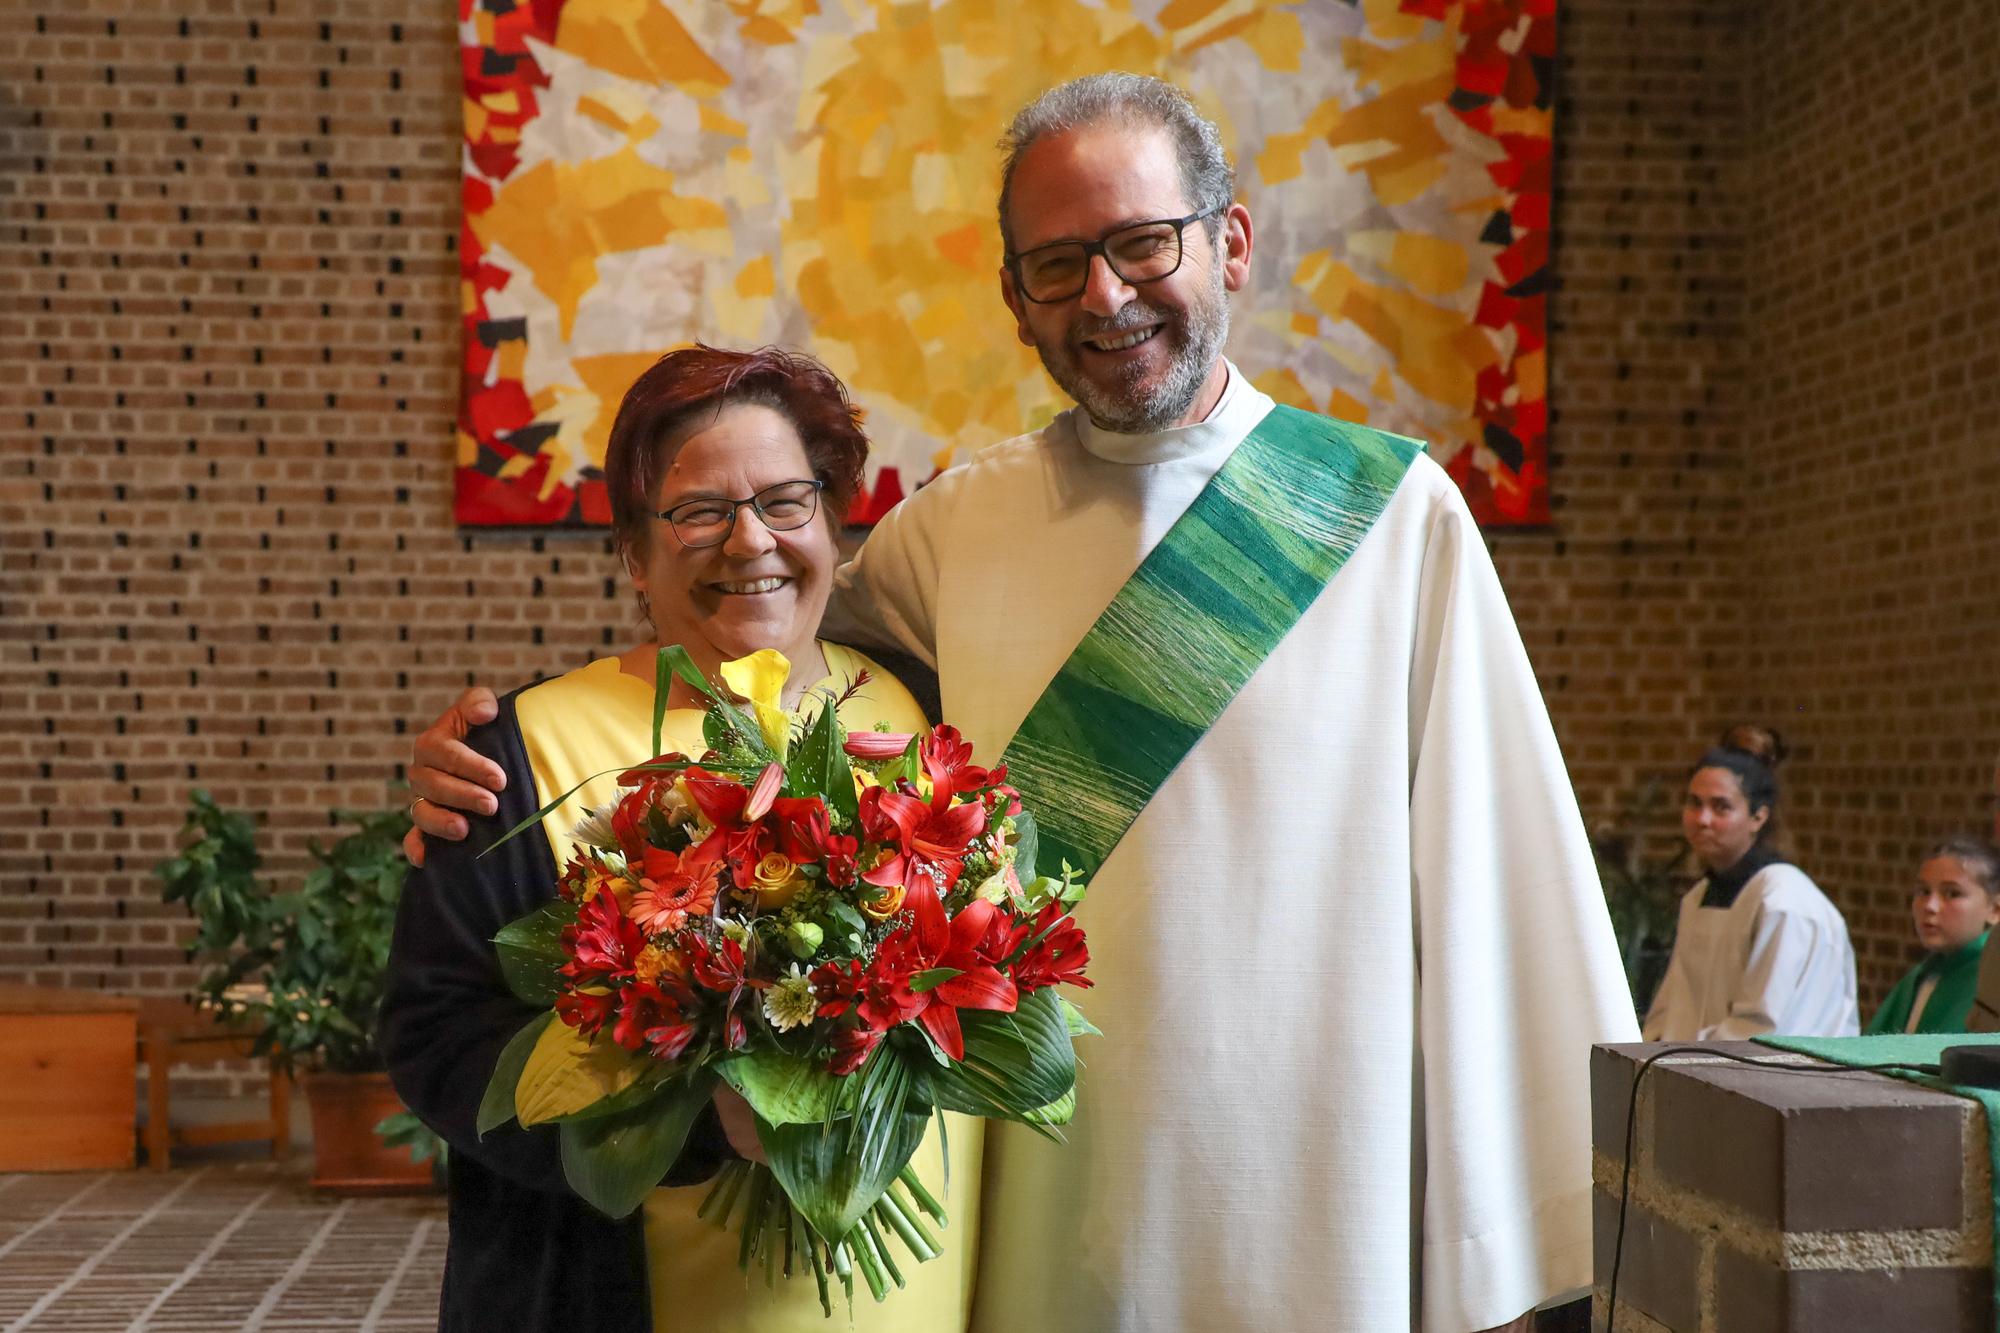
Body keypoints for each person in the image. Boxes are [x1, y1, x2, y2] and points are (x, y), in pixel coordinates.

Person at [406, 74, 1637, 1333]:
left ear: (1229, 241)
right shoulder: (954, 527)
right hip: (1027, 1191)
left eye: (1141, 243)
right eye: (1055, 265)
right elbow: (749, 658)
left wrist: (1500, 1228)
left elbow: (1498, 880)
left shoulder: (1386, 517)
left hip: (1309, 1179)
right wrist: (490, 751)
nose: (1104, 296)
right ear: (1013, 298)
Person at [379, 346, 979, 1333]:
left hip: (915, 1301)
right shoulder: (516, 755)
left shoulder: (926, 714)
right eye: (700, 512)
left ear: (830, 522)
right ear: (632, 554)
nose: (750, 541)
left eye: (786, 501)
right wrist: (696, 1119)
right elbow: (432, 1034)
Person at [1642, 726, 1859, 1041]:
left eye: (1720, 807)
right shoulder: (1699, 896)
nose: (1702, 819)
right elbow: (1672, 1012)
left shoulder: (1784, 904)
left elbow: (1761, 1029)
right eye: (1694, 803)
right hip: (1695, 1069)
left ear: (1758, 817)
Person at [1866, 836, 2000, 1034]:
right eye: (1923, 891)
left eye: (1952, 894)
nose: (1930, 906)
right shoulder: (1922, 976)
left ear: (1995, 909)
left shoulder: (1992, 977)